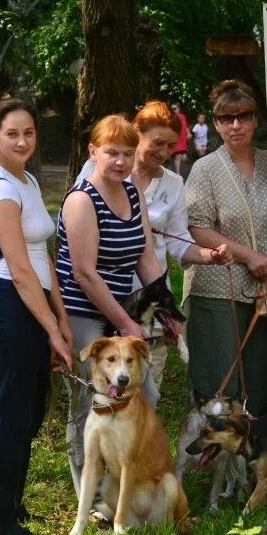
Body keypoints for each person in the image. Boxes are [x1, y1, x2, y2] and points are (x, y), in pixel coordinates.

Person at [57, 114, 228, 504]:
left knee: (144, 394)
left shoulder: (132, 191)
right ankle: (94, 497)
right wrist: (125, 324)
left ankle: (120, 480)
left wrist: (166, 310)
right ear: (93, 152)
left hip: (123, 306)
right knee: (91, 402)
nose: (120, 161)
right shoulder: (82, 199)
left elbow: (146, 258)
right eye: (111, 152)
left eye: (127, 153)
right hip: (84, 306)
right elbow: (84, 273)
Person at [75, 101, 233, 400]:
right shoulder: (97, 169)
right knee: (94, 399)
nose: (163, 152)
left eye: (171, 146)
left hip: (148, 301)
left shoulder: (173, 183)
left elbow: (177, 240)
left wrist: (208, 255)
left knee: (146, 397)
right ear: (137, 132)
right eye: (157, 142)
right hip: (100, 297)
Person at [0, 98, 74, 535]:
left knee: (30, 412)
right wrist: (50, 329)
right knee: (9, 413)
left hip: (36, 304)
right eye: (12, 133)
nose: (21, 141)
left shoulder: (28, 179)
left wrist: (61, 317)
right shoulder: (0, 189)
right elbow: (18, 268)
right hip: (11, 304)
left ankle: (10, 503)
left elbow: (43, 258)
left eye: (29, 133)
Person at [185, 79, 267, 416]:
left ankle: (255, 457)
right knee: (220, 378)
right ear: (216, 124)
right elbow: (197, 227)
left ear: (256, 120)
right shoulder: (204, 169)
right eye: (227, 118)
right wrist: (248, 255)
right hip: (218, 288)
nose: (235, 125)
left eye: (243, 117)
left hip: (265, 289)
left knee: (261, 376)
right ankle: (218, 461)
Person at [171, 103, 189, 175]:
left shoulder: (182, 116)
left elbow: (185, 126)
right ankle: (178, 174)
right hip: (176, 140)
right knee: (178, 157)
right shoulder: (171, 118)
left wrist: (188, 132)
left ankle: (176, 172)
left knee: (183, 158)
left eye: (174, 109)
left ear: (179, 109)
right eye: (171, 109)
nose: (173, 111)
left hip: (183, 140)